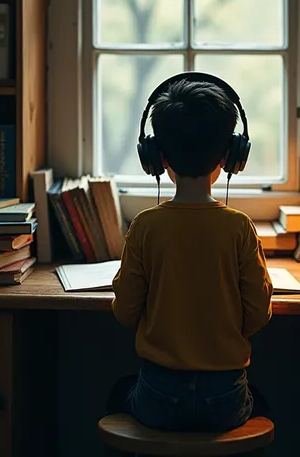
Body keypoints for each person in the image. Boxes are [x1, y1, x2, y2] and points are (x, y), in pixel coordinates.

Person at [109, 75, 273, 432]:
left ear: (156, 156)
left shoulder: (145, 227)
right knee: (264, 401)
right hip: (224, 399)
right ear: (231, 156)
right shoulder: (239, 227)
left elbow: (125, 312)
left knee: (117, 394)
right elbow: (258, 314)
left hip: (159, 397)